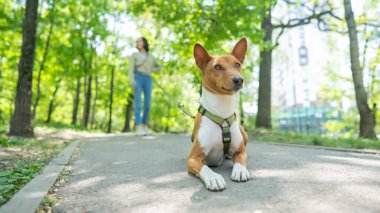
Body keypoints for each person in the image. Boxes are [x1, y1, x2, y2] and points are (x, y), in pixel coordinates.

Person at [129, 37, 162, 136]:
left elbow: (159, 67)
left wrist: (152, 71)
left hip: (148, 79)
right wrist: (132, 82)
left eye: (140, 41)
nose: (138, 43)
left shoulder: (151, 57)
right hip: (138, 77)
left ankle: (144, 125)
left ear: (144, 43)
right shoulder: (134, 55)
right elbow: (130, 69)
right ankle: (138, 126)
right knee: (138, 103)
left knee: (147, 103)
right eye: (137, 41)